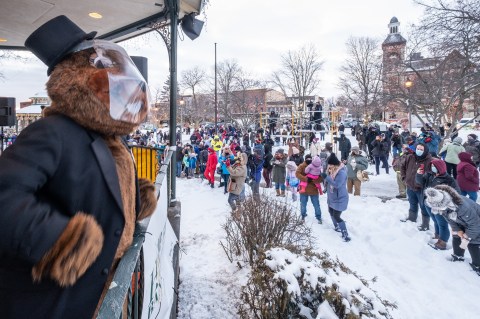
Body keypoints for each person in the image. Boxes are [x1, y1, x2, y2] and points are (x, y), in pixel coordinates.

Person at [424, 185, 480, 276]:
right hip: (463, 222)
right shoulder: (444, 206)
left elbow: (475, 225)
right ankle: (458, 256)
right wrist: (458, 231)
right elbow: (450, 220)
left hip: (477, 223)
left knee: (473, 242)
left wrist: (466, 236)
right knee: (456, 235)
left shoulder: (463, 207)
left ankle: (478, 266)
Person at [416, 159, 459, 249]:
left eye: (434, 166)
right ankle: (437, 235)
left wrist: (446, 203)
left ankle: (442, 242)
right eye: (431, 166)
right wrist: (419, 174)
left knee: (442, 223)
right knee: (435, 221)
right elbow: (420, 182)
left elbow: (456, 193)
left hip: (440, 207)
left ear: (440, 167)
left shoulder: (449, 179)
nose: (432, 168)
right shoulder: (430, 175)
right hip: (428, 203)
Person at [400, 143, 432, 227]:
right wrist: (404, 178)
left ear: (425, 151)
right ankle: (412, 218)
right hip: (410, 186)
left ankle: (425, 224)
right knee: (412, 203)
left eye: (421, 149)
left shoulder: (429, 160)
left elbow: (431, 174)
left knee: (423, 206)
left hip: (421, 188)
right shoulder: (410, 157)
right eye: (418, 148)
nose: (419, 151)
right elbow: (402, 167)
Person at [322, 153, 351, 241]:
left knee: (337, 216)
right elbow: (329, 182)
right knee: (330, 212)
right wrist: (325, 188)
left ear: (335, 164)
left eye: (330, 164)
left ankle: (345, 234)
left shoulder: (341, 173)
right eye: (329, 164)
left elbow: (337, 185)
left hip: (340, 198)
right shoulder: (332, 170)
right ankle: (337, 227)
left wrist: (326, 177)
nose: (329, 166)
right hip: (332, 197)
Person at [295, 154, 323, 223]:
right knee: (303, 204)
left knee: (316, 204)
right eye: (308, 159)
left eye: (310, 159)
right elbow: (297, 174)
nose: (309, 160)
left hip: (313, 189)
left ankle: (318, 216)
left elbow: (321, 178)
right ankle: (303, 215)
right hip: (304, 189)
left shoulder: (317, 166)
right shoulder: (301, 166)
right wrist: (305, 179)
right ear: (305, 159)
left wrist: (314, 180)